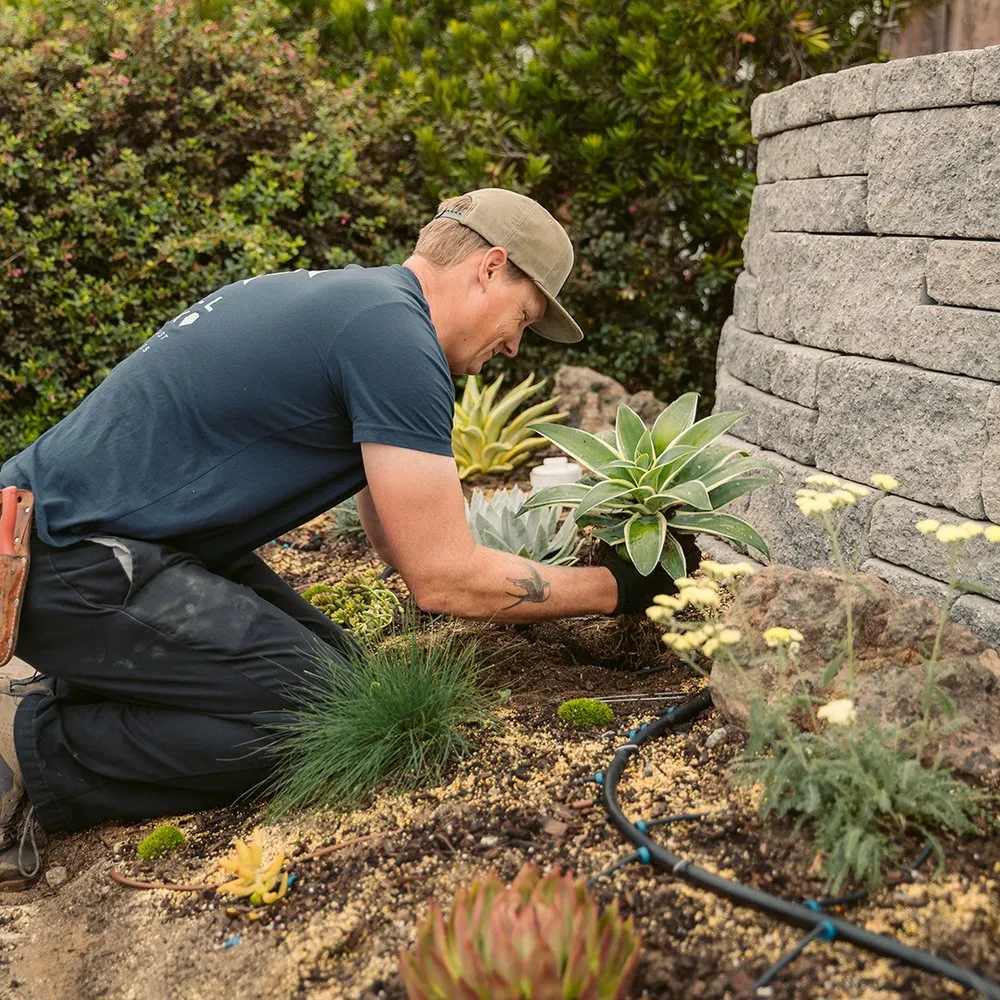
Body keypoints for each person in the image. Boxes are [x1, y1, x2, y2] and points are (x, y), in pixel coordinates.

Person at [0, 188, 694, 889]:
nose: (514, 346)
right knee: (323, 724)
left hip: (83, 547)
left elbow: (402, 548)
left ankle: (88, 691)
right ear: (489, 267)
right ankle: (26, 751)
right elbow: (442, 578)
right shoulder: (394, 340)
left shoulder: (363, 310)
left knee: (354, 692)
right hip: (67, 561)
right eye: (522, 318)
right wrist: (617, 589)